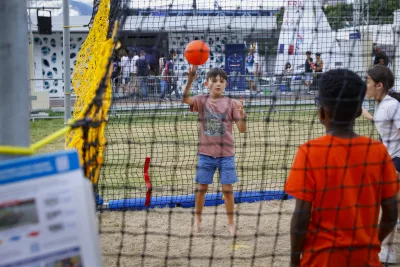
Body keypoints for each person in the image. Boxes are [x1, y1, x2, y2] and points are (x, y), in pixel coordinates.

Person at [285, 68, 398, 266]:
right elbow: (391, 214)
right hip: (365, 260)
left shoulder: (308, 152)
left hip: (321, 260)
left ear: (322, 111)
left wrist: (295, 261)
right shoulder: (378, 152)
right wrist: (372, 243)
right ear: (357, 111)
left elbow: (301, 217)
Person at [182, 66, 247, 236]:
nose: (218, 83)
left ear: (226, 84)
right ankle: (197, 220)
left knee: (228, 190)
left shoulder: (232, 103)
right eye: (214, 80)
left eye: (221, 81)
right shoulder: (202, 100)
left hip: (226, 156)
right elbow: (185, 99)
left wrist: (242, 115)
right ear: (207, 83)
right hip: (205, 154)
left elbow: (241, 129)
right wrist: (189, 81)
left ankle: (231, 223)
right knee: (201, 189)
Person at [361, 65, 400, 264]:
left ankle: (388, 251)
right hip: (390, 159)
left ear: (379, 85)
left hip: (396, 160)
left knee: (388, 202)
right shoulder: (382, 104)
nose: (365, 85)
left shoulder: (392, 105)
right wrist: (363, 113)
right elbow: (380, 121)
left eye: (368, 81)